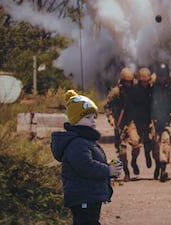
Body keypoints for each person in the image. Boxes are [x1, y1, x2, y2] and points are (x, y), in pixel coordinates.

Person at [51, 89, 123, 225]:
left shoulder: (85, 140)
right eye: (88, 118)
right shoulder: (77, 143)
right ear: (76, 120)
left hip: (89, 195)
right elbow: (86, 166)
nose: (93, 121)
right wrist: (108, 170)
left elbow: (91, 162)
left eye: (94, 117)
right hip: (83, 196)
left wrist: (109, 165)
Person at [105, 67, 141, 181]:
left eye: (130, 81)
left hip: (131, 122)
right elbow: (107, 106)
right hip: (119, 124)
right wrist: (110, 118)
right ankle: (126, 171)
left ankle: (134, 161)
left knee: (136, 143)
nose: (128, 84)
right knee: (122, 152)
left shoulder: (135, 90)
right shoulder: (116, 92)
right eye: (126, 81)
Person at [134, 67, 154, 169]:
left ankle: (147, 155)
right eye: (143, 81)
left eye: (147, 81)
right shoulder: (135, 90)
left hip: (147, 120)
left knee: (148, 142)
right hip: (137, 120)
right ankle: (134, 161)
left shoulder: (151, 89)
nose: (145, 83)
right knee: (135, 143)